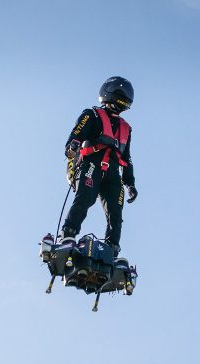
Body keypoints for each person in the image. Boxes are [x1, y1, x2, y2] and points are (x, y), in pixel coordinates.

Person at [59, 76, 138, 257]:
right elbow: (77, 133)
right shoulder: (92, 115)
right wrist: (72, 145)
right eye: (119, 95)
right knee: (85, 199)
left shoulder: (126, 128)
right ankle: (68, 234)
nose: (122, 100)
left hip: (113, 174)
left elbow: (127, 157)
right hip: (91, 165)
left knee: (115, 213)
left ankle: (112, 249)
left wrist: (130, 183)